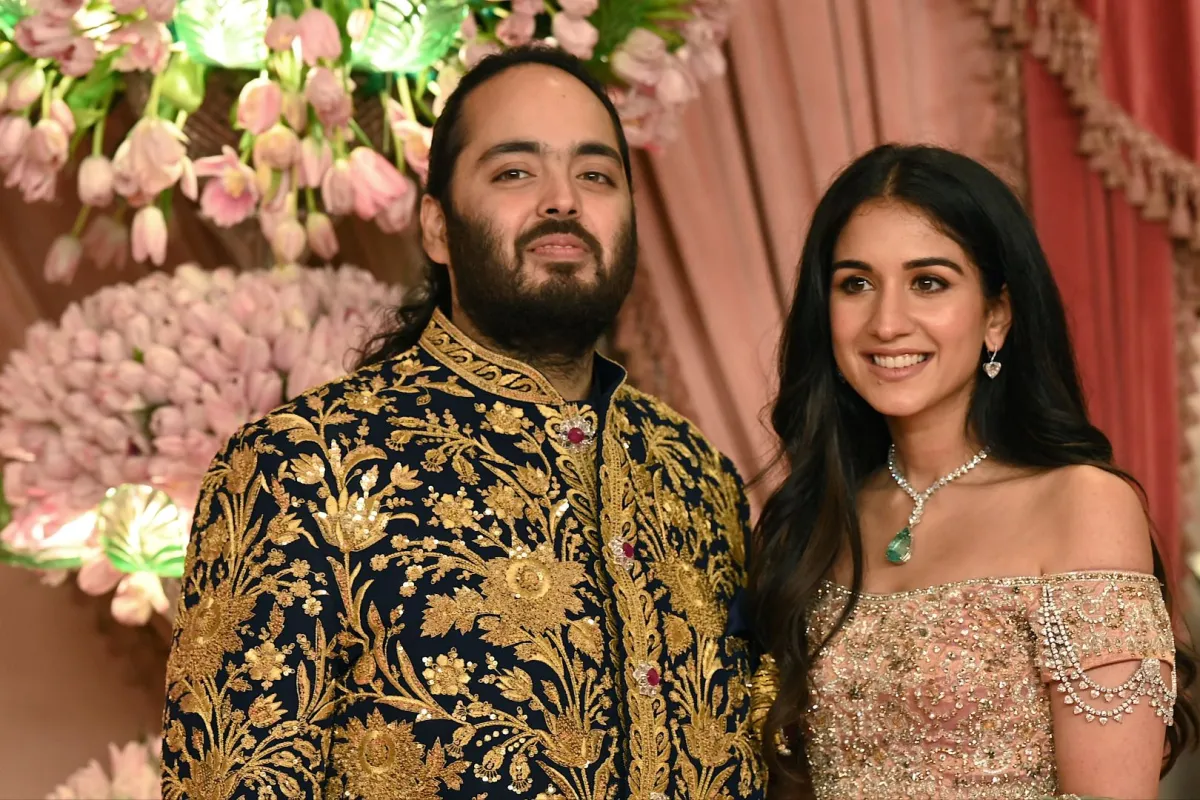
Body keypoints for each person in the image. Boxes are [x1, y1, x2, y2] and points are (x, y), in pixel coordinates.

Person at [160, 46, 766, 799]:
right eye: (515, 171)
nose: (563, 201)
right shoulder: (303, 465)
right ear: (438, 228)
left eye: (596, 174)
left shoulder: (693, 472)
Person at [748, 143, 1197, 799]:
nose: (888, 322)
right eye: (856, 284)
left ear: (996, 316)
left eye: (928, 282)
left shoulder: (1081, 504)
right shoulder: (814, 522)